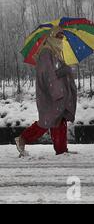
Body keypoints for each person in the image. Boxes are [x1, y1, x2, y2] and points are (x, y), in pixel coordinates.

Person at [15, 28, 77, 157]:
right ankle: (22, 138)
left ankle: (61, 150)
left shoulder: (56, 53)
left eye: (62, 37)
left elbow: (54, 73)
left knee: (59, 120)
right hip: (50, 94)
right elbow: (47, 75)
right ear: (51, 37)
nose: (60, 40)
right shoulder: (46, 52)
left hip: (57, 92)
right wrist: (57, 90)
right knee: (47, 121)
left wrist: (65, 70)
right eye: (58, 36)